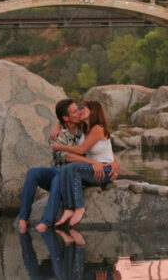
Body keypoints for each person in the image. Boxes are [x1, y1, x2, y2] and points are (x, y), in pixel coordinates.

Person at [18, 99, 120, 233]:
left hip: (76, 174)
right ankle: (23, 218)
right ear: (66, 118)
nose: (79, 113)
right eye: (75, 111)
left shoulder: (83, 127)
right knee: (33, 172)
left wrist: (116, 163)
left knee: (58, 180)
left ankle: (46, 222)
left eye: (79, 109)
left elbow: (103, 146)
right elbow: (68, 157)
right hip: (61, 170)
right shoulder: (58, 135)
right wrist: (94, 163)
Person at [52, 101, 119, 227]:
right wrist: (57, 126)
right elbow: (66, 119)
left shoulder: (98, 128)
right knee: (65, 170)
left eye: (84, 109)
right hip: (92, 168)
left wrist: (59, 146)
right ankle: (68, 208)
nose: (80, 111)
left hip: (104, 169)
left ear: (92, 112)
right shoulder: (84, 126)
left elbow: (81, 150)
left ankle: (79, 207)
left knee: (73, 168)